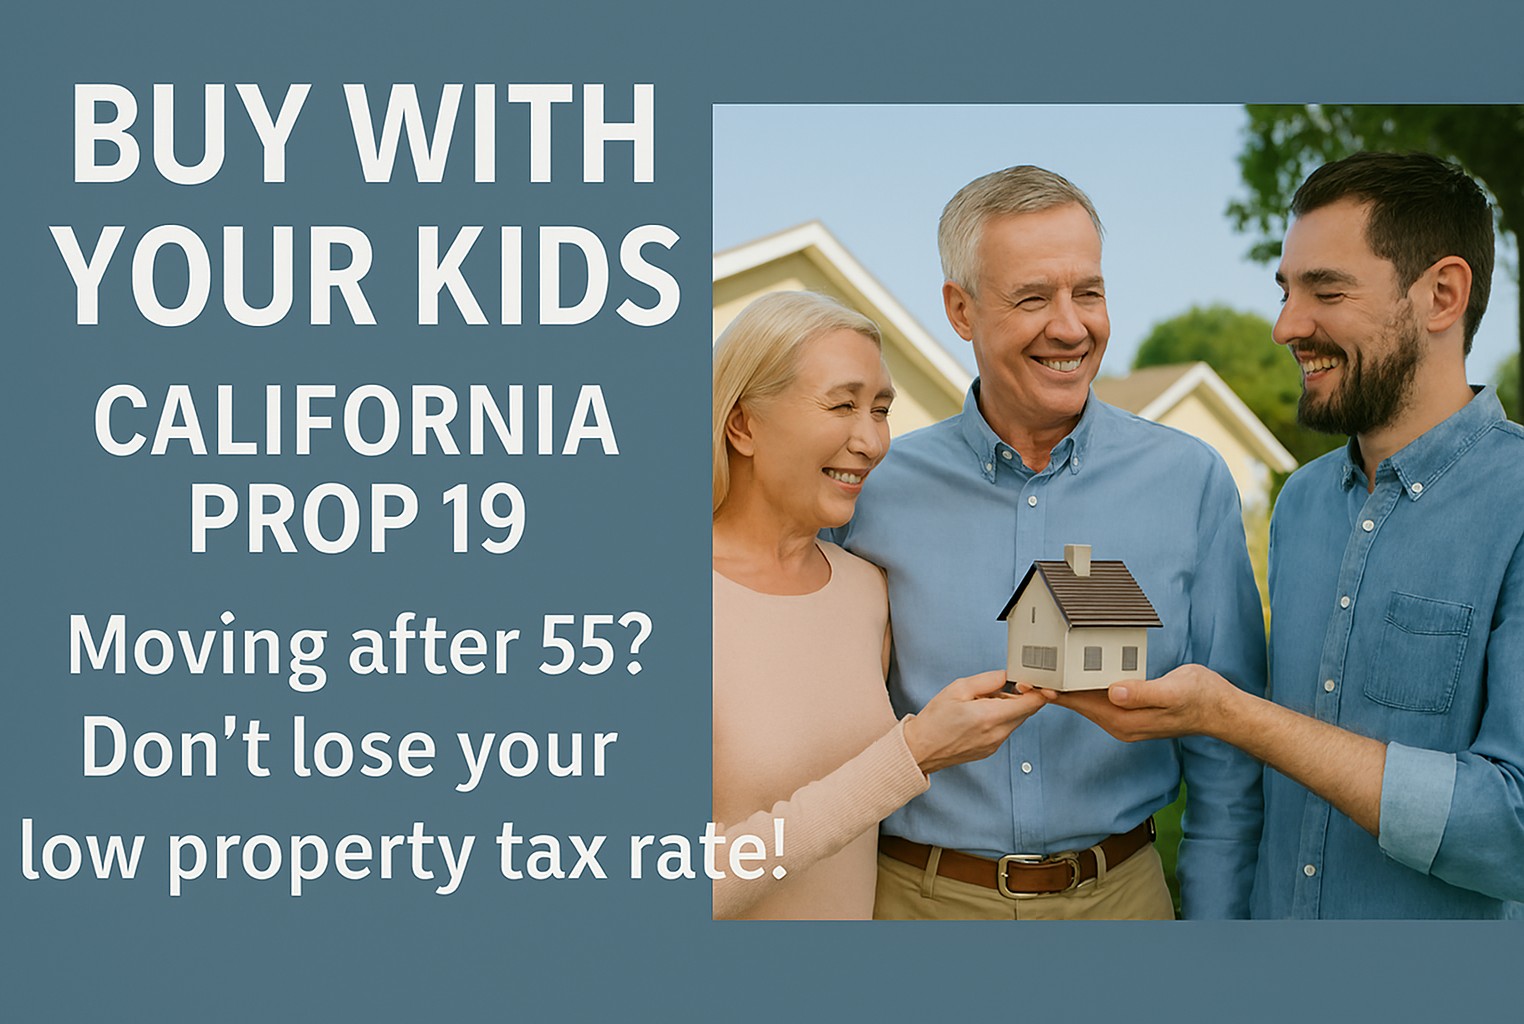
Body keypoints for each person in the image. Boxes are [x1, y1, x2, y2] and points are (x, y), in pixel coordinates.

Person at [1043, 151, 1524, 919]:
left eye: (1326, 291)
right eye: (1286, 291)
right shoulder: (1300, 505)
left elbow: (1512, 829)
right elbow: (1252, 805)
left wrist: (1232, 714)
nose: (1285, 327)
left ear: (1443, 294)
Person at [832, 166, 1267, 920]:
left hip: (1124, 903)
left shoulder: (1188, 480)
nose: (1071, 326)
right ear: (960, 310)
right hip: (919, 905)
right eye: (1033, 297)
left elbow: (1227, 761)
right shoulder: (870, 490)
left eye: (1088, 292)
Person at [711, 290, 1045, 920]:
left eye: (882, 409)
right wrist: (911, 755)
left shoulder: (865, 591)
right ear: (743, 424)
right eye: (842, 405)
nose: (871, 441)